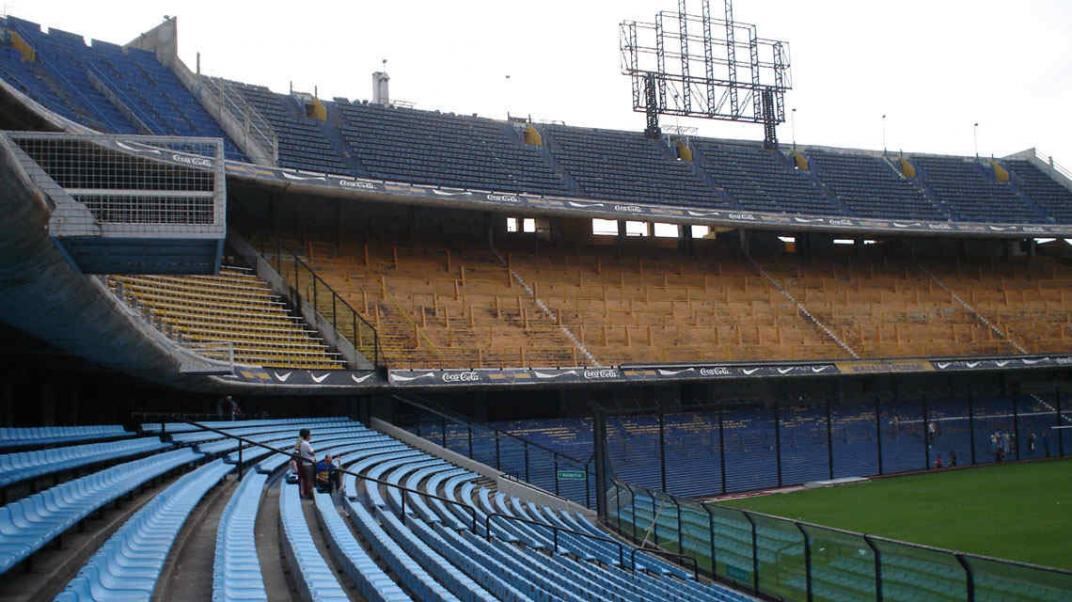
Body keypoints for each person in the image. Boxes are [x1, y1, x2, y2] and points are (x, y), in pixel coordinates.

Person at [296, 429, 315, 499]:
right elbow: (312, 452)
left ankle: (307, 493)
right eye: (310, 435)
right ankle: (309, 494)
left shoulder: (301, 443)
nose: (311, 436)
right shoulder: (306, 444)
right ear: (307, 436)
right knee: (309, 480)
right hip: (308, 464)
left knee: (307, 480)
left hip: (305, 463)